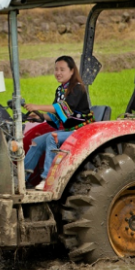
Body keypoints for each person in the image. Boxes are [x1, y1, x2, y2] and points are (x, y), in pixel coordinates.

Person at [23, 55, 94, 190]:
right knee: (37, 141)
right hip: (68, 131)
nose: (58, 73)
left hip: (80, 131)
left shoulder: (77, 88)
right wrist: (39, 116)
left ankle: (47, 179)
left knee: (51, 137)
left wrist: (37, 106)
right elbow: (56, 115)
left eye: (62, 69)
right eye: (56, 69)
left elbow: (63, 109)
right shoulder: (60, 90)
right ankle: (22, 178)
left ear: (72, 71)